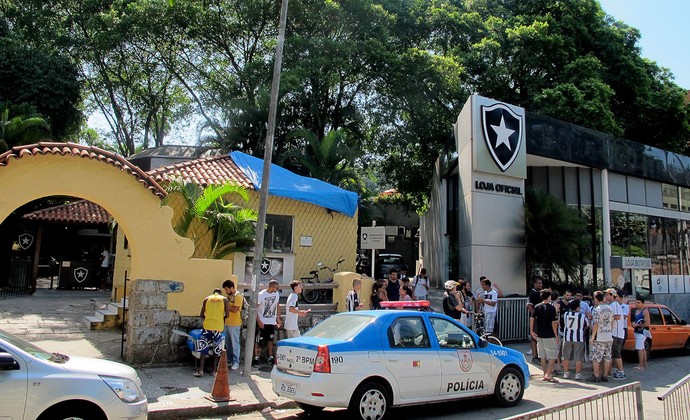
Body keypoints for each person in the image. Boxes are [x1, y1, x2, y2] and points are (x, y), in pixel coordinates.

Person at [196, 288, 229, 377]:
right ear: (220, 293)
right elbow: (227, 315)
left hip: (207, 327)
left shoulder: (206, 299)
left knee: (204, 348)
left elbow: (201, 314)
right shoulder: (224, 299)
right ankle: (214, 371)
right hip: (218, 328)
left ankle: (201, 370)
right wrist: (219, 318)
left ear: (213, 293)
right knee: (216, 350)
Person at [530, 289, 559, 383]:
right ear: (549, 297)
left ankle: (544, 373)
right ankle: (549, 374)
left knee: (542, 356)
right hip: (550, 334)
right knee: (552, 355)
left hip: (540, 334)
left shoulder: (537, 306)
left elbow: (532, 318)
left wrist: (531, 330)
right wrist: (556, 335)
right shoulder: (551, 308)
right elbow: (553, 323)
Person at [253, 279, 282, 366]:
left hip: (271, 321)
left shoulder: (276, 294)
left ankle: (270, 357)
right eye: (276, 288)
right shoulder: (261, 295)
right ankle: (256, 358)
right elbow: (255, 308)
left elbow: (277, 305)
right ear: (271, 287)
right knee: (258, 340)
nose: (276, 290)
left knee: (270, 340)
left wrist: (278, 318)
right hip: (262, 321)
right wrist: (258, 321)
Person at [589, 291, 613, 382]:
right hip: (608, 335)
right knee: (607, 356)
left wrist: (592, 336)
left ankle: (596, 375)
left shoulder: (597, 309)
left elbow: (596, 324)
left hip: (599, 336)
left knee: (596, 356)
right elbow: (612, 320)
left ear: (595, 298)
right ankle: (605, 375)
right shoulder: (609, 308)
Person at [562, 299, 587, 380]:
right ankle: (578, 374)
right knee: (578, 357)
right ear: (577, 308)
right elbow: (587, 325)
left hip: (567, 337)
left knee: (566, 356)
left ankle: (566, 373)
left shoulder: (566, 314)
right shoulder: (582, 316)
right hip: (578, 338)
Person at [222, 279, 243, 370]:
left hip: (235, 324)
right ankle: (229, 360)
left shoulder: (238, 296)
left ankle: (236, 362)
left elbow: (235, 309)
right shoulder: (228, 297)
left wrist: (226, 306)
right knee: (228, 343)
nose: (226, 291)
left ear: (232, 288)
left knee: (235, 343)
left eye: (227, 289)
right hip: (227, 323)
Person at [605, 288, 626, 380]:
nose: (606, 296)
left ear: (612, 296)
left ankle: (621, 372)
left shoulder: (615, 305)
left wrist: (607, 318)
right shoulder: (611, 305)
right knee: (613, 354)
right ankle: (614, 371)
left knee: (616, 353)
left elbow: (617, 316)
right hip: (613, 333)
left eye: (607, 294)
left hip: (617, 333)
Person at [526, 277, 543, 360]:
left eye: (541, 283)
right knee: (534, 337)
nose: (540, 285)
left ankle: (539, 354)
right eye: (539, 283)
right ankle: (535, 355)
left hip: (541, 318)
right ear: (535, 284)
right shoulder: (532, 293)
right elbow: (529, 305)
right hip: (535, 318)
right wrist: (534, 315)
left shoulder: (539, 293)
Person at [633, 297, 651, 371]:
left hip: (643, 332)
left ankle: (641, 365)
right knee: (642, 348)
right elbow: (635, 321)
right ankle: (644, 364)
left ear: (642, 303)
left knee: (639, 348)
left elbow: (647, 323)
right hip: (636, 331)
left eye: (638, 303)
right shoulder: (636, 311)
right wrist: (634, 324)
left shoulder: (645, 311)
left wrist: (637, 325)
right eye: (636, 302)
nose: (636, 304)